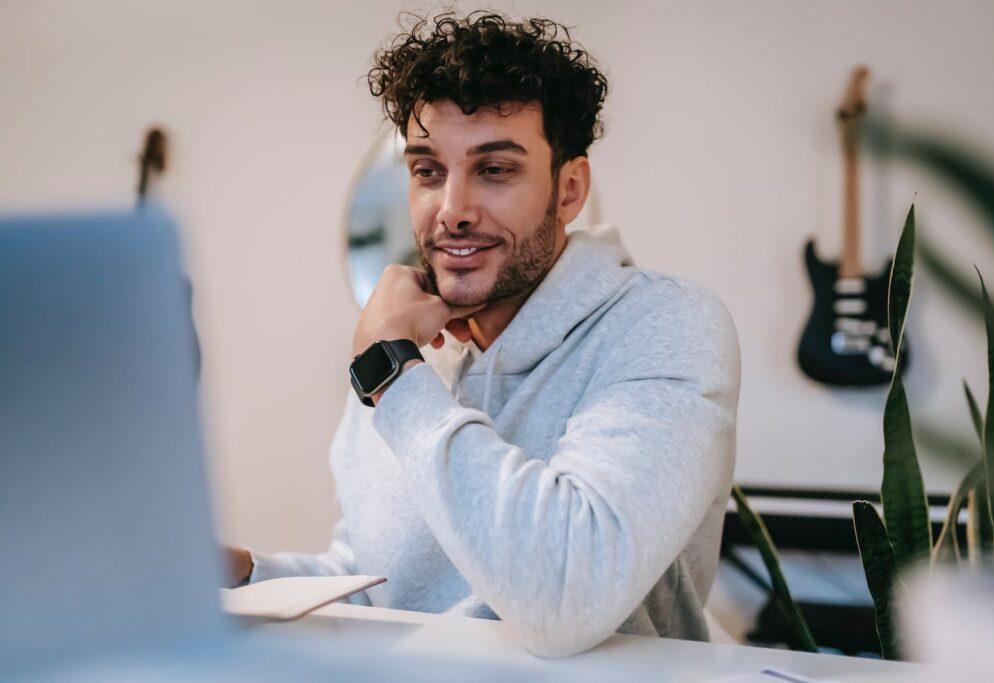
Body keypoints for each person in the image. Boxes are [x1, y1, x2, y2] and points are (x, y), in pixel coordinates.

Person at [225, 11, 740, 658]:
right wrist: (243, 574)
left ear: (570, 188)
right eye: (428, 171)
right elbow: (381, 584)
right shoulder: (405, 355)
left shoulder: (665, 327)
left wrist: (393, 374)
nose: (453, 210)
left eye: (495, 169)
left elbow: (565, 596)